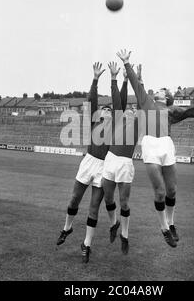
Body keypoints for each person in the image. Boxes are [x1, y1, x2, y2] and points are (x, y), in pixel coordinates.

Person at [116, 49, 194, 248]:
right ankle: (164, 229)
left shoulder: (171, 111)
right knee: (160, 192)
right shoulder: (146, 104)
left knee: (172, 190)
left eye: (162, 91)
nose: (159, 91)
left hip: (166, 145)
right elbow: (137, 87)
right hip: (151, 146)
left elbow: (190, 111)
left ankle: (171, 224)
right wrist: (127, 63)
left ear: (166, 97)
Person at [56, 62, 111, 263]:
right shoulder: (93, 123)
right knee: (74, 200)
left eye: (110, 110)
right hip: (89, 162)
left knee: (94, 207)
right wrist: (95, 79)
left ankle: (86, 244)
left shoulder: (118, 130)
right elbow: (91, 101)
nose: (106, 110)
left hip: (104, 168)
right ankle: (67, 228)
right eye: (104, 109)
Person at [102, 62, 139, 255]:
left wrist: (137, 78)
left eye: (133, 109)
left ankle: (125, 235)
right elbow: (117, 98)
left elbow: (142, 101)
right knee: (108, 197)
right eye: (129, 108)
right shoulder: (117, 118)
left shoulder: (139, 123)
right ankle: (113, 223)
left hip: (125, 163)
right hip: (110, 159)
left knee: (124, 202)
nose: (130, 109)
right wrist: (114, 77)